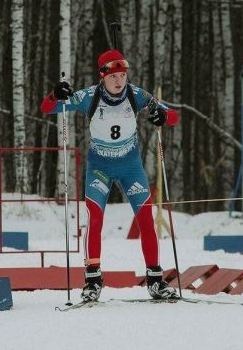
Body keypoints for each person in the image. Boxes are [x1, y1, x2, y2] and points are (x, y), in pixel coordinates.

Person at [40, 49, 179, 302]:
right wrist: (55, 93)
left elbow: (173, 116)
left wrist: (163, 116)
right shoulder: (88, 96)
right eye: (113, 76)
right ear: (102, 75)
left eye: (123, 75)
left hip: (130, 167)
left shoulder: (137, 95)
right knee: (95, 220)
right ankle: (92, 281)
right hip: (99, 168)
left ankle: (155, 280)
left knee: (146, 219)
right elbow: (47, 107)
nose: (119, 81)